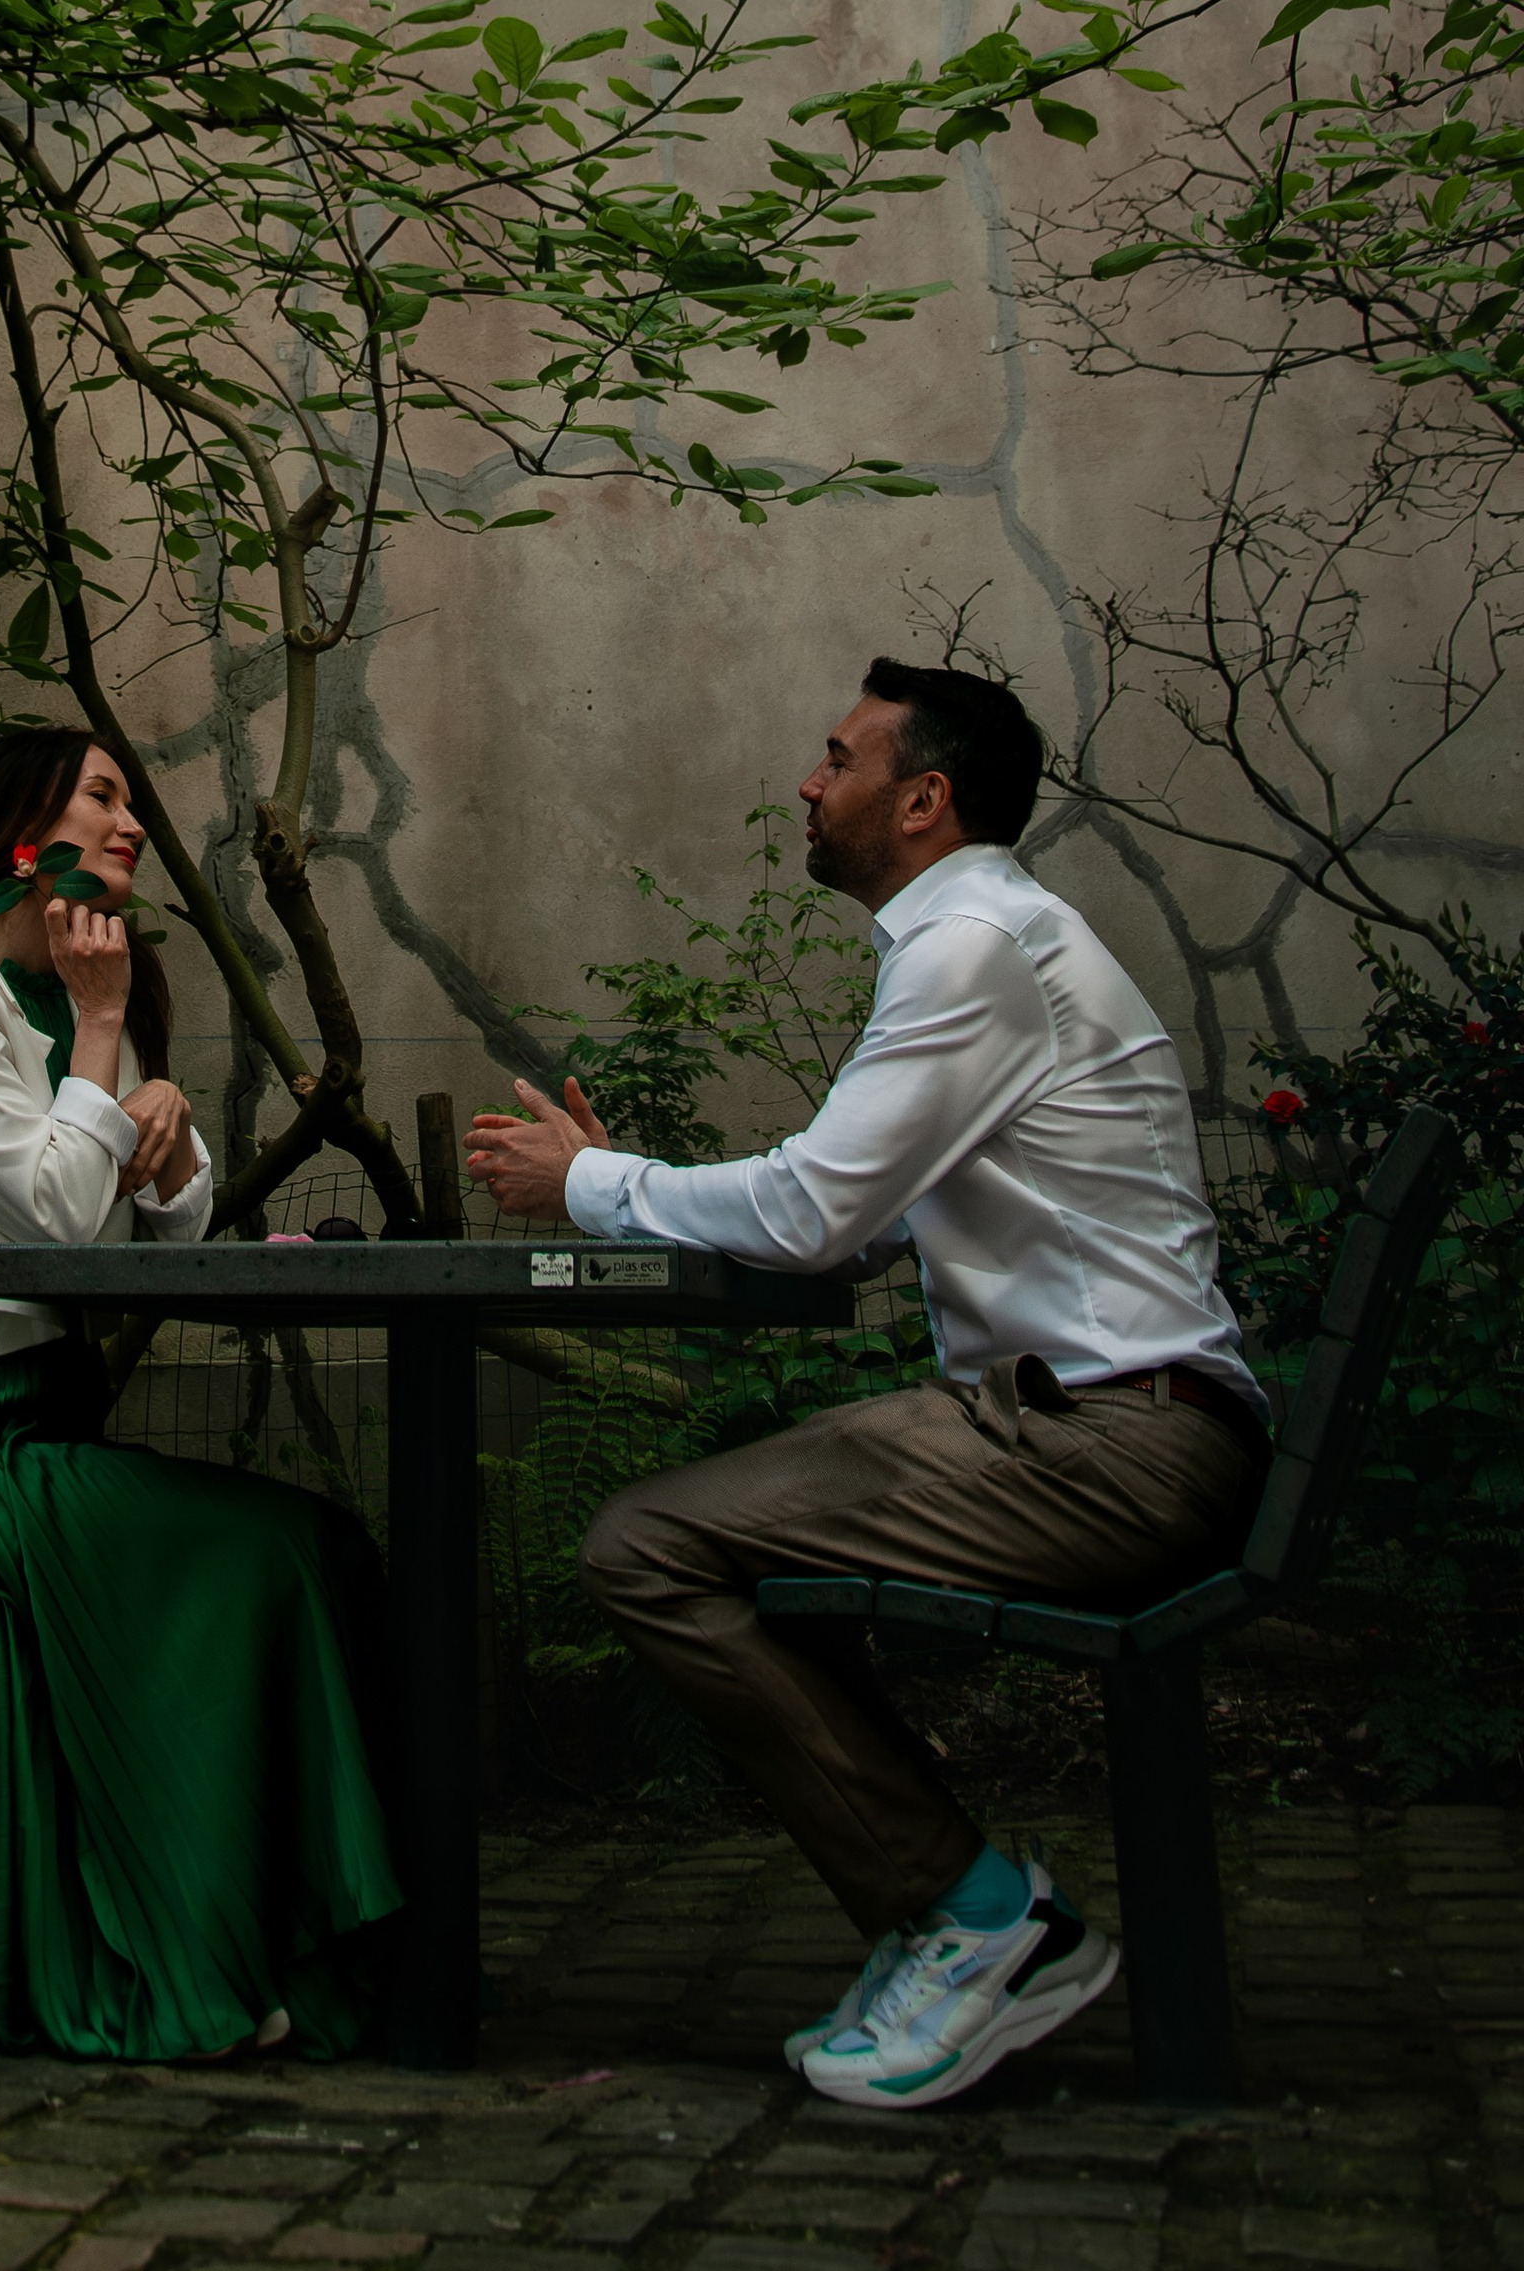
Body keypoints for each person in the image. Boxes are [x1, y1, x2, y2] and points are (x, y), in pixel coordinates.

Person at [467, 658, 1269, 2111]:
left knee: (650, 1545)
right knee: (715, 1528)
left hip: (1105, 1449)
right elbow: (865, 1211)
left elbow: (808, 1216)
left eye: (834, 758)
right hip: (1100, 1427)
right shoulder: (989, 942)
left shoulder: (972, 947)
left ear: (923, 798)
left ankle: (977, 1922)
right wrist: (633, 1184)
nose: (805, 784)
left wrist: (593, 1183)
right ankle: (958, 1917)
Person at [0, 723, 402, 2064]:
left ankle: (280, 1927)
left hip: (36, 1437)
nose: (134, 820)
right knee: (255, 1552)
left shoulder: (85, 1000)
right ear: (24, 836)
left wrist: (171, 1134)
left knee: (313, 1543)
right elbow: (47, 1214)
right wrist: (99, 1038)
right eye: (103, 796)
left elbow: (171, 1235)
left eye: (130, 799)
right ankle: (189, 1944)